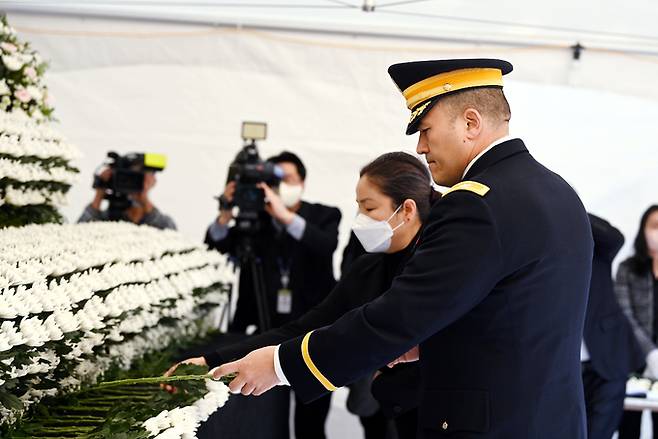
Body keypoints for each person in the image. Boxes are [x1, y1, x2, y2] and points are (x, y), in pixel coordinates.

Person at [211, 58, 594, 439]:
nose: (421, 146)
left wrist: (279, 364)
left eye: (426, 129)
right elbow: (516, 318)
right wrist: (430, 346)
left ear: (471, 123)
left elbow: (402, 315)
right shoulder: (559, 193)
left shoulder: (475, 203)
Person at [170, 152, 432, 438]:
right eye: (359, 208)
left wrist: (278, 364)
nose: (361, 221)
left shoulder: (436, 265)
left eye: (370, 208)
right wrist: (210, 361)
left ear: (407, 210)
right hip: (396, 402)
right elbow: (304, 327)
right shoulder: (367, 267)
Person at [204, 151, 341, 439]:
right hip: (267, 332)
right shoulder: (256, 221)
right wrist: (227, 209)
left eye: (285, 179)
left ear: (301, 182)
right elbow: (217, 245)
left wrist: (284, 215)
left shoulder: (324, 214)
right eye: (273, 180)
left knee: (310, 421)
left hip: (313, 332)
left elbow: (324, 244)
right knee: (265, 417)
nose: (277, 187)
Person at [581, 214, 644, 439]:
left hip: (606, 362)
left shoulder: (599, 247)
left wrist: (574, 209)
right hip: (564, 367)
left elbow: (616, 238)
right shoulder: (545, 242)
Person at [616, 205, 658, 438]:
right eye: (654, 226)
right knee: (629, 428)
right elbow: (625, 314)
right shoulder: (628, 269)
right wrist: (651, 353)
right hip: (633, 362)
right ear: (643, 230)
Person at [78, 167, 176, 230]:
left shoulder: (164, 222)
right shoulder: (107, 218)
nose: (130, 183)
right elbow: (79, 230)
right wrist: (99, 193)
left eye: (137, 178)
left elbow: (170, 233)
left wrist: (144, 198)